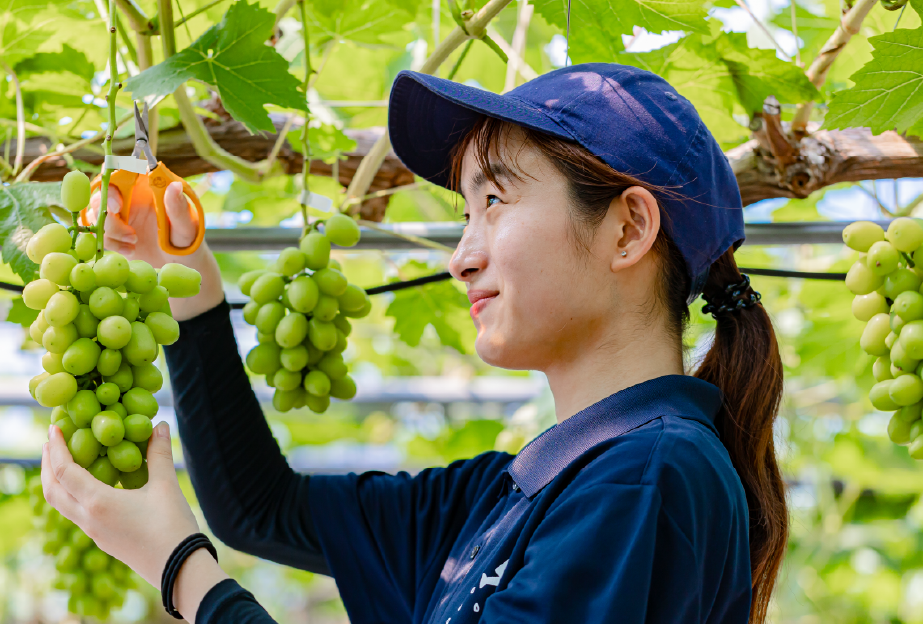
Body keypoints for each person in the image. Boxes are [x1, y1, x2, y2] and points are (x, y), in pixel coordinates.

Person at [41, 63, 787, 624]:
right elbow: (258, 507)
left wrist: (181, 568)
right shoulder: (510, 495)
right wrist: (191, 284)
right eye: (466, 212)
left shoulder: (647, 475)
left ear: (628, 229)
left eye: (494, 199)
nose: (459, 256)